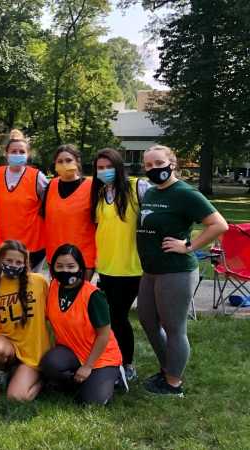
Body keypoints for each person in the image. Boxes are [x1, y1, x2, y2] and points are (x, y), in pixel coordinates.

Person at [136, 145, 227, 397]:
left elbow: (219, 224)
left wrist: (188, 246)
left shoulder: (185, 193)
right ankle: (167, 369)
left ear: (172, 164)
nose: (154, 169)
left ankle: (173, 383)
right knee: (147, 320)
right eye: (149, 165)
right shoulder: (152, 192)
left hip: (175, 271)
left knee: (174, 327)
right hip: (151, 270)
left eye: (158, 163)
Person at [40, 244, 125, 406]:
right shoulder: (53, 287)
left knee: (91, 403)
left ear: (80, 267)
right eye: (60, 266)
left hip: (100, 356)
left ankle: (114, 376)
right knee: (49, 364)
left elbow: (104, 335)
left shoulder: (93, 295)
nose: (65, 270)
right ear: (53, 268)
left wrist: (88, 366)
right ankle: (81, 380)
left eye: (71, 266)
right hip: (71, 350)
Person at [91, 148, 149, 381]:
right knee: (109, 317)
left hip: (130, 267)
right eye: (100, 168)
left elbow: (163, 209)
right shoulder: (100, 193)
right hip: (105, 266)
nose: (105, 171)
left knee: (118, 316)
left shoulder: (138, 187)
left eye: (109, 166)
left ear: (118, 166)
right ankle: (111, 358)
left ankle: (127, 363)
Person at [0, 240, 51, 402]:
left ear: (26, 263)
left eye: (18, 262)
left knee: (15, 397)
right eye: (9, 261)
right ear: (0, 261)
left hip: (33, 350)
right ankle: (4, 370)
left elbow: (50, 314)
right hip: (9, 343)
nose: (13, 265)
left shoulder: (39, 282)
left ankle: (42, 379)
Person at [0, 130, 49, 271]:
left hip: (33, 245)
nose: (17, 154)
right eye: (14, 151)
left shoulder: (37, 177)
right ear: (6, 154)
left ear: (27, 154)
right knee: (8, 288)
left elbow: (50, 204)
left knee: (30, 288)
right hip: (7, 245)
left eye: (21, 151)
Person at [42, 144, 96, 278]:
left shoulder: (92, 187)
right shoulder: (51, 186)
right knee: (57, 296)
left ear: (77, 162)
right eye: (60, 161)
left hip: (82, 257)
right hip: (56, 257)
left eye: (68, 160)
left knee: (81, 297)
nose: (64, 164)